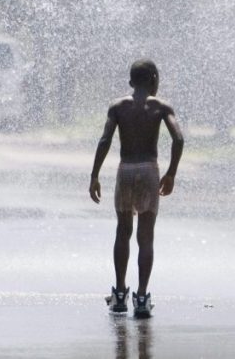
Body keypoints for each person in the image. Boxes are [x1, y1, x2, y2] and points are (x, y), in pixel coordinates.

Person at [89, 59, 185, 319]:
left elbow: (105, 139)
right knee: (146, 236)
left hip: (127, 169)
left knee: (123, 231)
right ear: (154, 78)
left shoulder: (118, 107)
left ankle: (119, 294)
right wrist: (171, 173)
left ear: (131, 82)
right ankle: (141, 298)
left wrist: (94, 175)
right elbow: (178, 138)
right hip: (149, 171)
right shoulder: (161, 107)